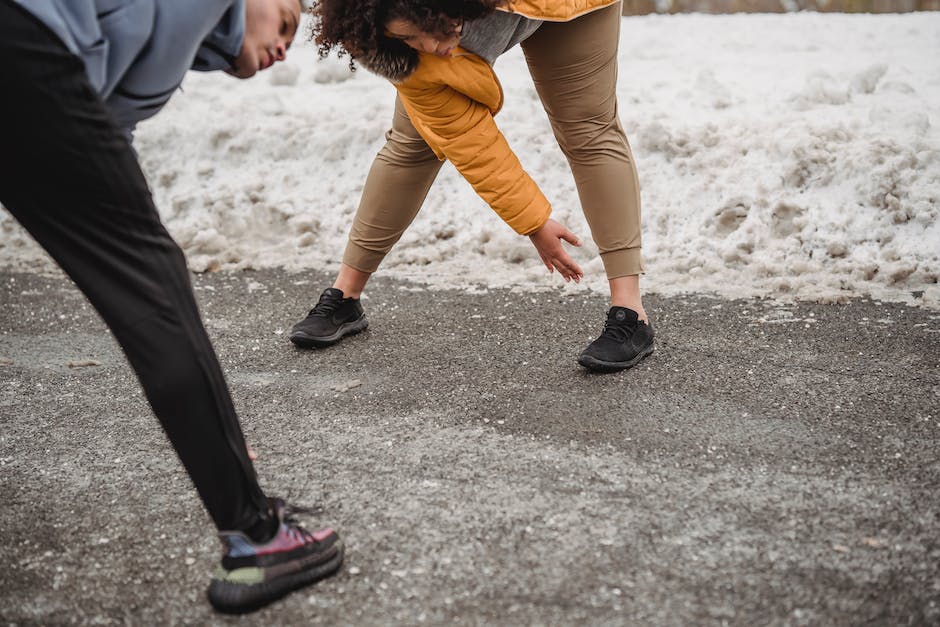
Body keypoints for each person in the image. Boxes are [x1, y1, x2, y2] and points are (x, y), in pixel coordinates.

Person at [0, 0, 343, 614]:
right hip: (25, 44)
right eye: (286, 23)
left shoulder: (173, 39)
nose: (284, 47)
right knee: (152, 286)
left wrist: (213, 430)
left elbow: (99, 136)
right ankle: (258, 535)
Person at [292, 0, 654, 373]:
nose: (429, 46)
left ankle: (630, 313)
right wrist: (533, 220)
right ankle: (346, 294)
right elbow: (464, 135)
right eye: (408, 37)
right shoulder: (393, 39)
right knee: (413, 141)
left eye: (430, 28)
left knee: (588, 131)